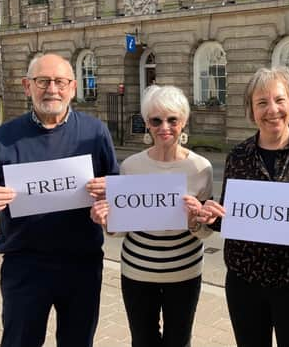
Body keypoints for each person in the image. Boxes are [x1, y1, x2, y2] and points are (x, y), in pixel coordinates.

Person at [0, 53, 119, 347]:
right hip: (25, 265)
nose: (52, 89)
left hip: (81, 264)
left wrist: (109, 198)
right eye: (43, 81)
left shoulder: (95, 133)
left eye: (60, 81)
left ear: (73, 87)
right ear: (27, 86)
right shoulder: (3, 138)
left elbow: (116, 190)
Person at [197, 67, 289, 347]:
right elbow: (230, 215)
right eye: (262, 102)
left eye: (279, 100)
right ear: (251, 110)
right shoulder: (238, 155)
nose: (272, 110)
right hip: (245, 283)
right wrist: (211, 215)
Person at [89, 85, 213, 347]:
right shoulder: (132, 166)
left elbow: (205, 231)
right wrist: (107, 220)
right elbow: (121, 228)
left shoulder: (201, 168)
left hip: (185, 272)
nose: (164, 127)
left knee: (178, 341)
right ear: (147, 123)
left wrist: (195, 220)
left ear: (184, 122)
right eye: (156, 120)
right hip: (137, 271)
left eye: (172, 119)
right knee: (143, 341)